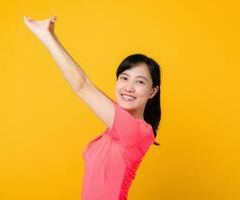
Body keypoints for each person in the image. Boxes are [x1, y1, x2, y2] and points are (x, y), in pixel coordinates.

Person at [23, 15, 161, 200]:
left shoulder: (136, 131)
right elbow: (86, 85)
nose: (128, 87)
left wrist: (45, 37)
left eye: (140, 82)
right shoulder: (116, 123)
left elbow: (82, 86)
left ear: (152, 91)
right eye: (124, 78)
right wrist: (52, 35)